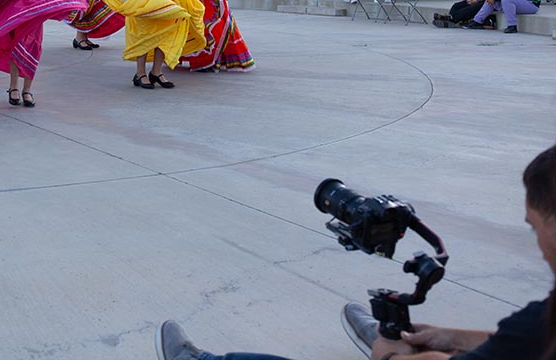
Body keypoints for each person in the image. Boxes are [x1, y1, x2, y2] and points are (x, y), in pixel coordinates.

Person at [155, 142, 556, 360]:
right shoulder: (543, 320)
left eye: (533, 226)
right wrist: (446, 336)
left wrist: (394, 356)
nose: (534, 242)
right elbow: (527, 342)